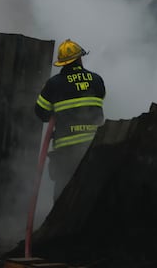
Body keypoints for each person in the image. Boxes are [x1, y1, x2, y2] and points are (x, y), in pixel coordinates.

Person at [34, 39, 106, 199]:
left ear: (62, 63)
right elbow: (98, 101)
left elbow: (41, 113)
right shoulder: (96, 80)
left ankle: (59, 223)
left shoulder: (54, 84)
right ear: (80, 58)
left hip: (66, 151)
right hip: (93, 147)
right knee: (91, 192)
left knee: (63, 193)